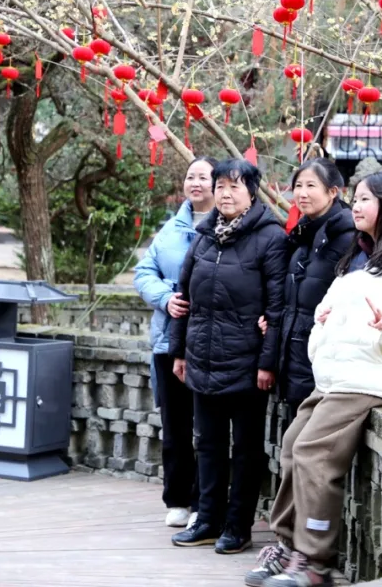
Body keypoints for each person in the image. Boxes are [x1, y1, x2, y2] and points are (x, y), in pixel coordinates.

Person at [247, 172, 382, 587]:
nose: (356, 206)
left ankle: (314, 560)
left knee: (313, 452)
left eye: (365, 199)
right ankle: (289, 546)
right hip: (340, 377)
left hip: (375, 378)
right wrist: (325, 326)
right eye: (356, 198)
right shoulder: (361, 254)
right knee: (292, 445)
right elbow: (336, 311)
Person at [168, 158, 289, 555]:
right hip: (201, 359)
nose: (225, 192)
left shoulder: (270, 238)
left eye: (235, 186)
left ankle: (238, 526)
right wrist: (179, 351)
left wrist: (268, 363)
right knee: (208, 444)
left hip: (247, 365)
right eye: (220, 185)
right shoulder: (204, 236)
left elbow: (276, 309)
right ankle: (207, 519)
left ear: (252, 192)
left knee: (248, 450)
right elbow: (184, 299)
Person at [133, 156, 217, 528]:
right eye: (190, 176)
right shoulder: (171, 229)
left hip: (210, 343)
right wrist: (168, 296)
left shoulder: (227, 226)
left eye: (203, 177)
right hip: (170, 342)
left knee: (209, 428)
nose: (195, 182)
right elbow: (143, 272)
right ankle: (177, 499)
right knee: (175, 426)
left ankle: (204, 501)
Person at [261, 159, 356, 415]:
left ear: (333, 191)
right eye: (298, 185)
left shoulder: (347, 237)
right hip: (295, 355)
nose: (302, 193)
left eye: (311, 185)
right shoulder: (303, 233)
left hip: (322, 358)